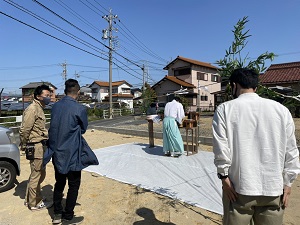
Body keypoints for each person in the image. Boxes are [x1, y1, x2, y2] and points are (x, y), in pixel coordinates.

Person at [212, 68, 300, 225]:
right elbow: (291, 150)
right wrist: (288, 182)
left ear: (234, 85)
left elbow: (221, 148)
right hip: (273, 188)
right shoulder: (281, 110)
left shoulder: (225, 109)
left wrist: (223, 176)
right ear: (256, 87)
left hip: (238, 188)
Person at [49, 79, 99, 224]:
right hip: (72, 151)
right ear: (77, 92)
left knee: (59, 182)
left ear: (65, 91)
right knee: (74, 184)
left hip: (57, 151)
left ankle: (57, 214)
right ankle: (68, 214)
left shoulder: (55, 106)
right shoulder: (80, 108)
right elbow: (83, 129)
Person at [19, 84, 53, 210]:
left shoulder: (39, 107)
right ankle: (34, 204)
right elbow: (24, 129)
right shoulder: (33, 109)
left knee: (37, 174)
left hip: (39, 145)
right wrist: (23, 143)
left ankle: (31, 199)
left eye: (49, 95)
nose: (49, 98)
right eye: (46, 95)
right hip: (35, 146)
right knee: (37, 175)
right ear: (38, 96)